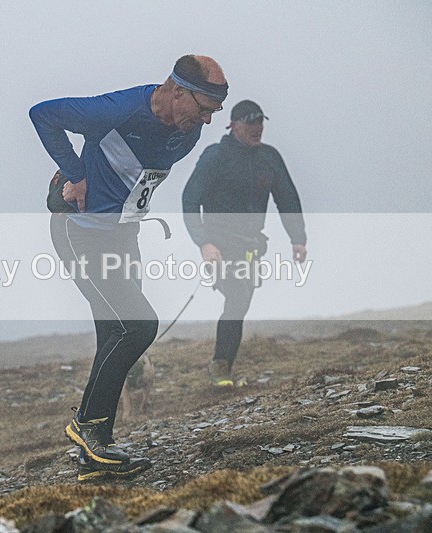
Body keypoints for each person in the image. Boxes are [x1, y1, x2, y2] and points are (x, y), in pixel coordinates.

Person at [30, 55, 228, 480]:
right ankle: (88, 429)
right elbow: (42, 115)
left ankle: (94, 457)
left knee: (114, 333)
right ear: (177, 90)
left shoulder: (185, 133)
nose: (208, 121)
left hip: (121, 237)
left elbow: (133, 181)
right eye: (205, 108)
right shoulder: (117, 109)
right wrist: (73, 173)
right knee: (138, 326)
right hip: (78, 233)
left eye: (215, 112)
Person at [182, 99, 307, 388]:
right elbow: (190, 200)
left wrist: (298, 238)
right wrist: (204, 243)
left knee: (242, 301)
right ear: (233, 125)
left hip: (251, 244)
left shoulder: (269, 158)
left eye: (261, 122)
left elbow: (287, 197)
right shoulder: (216, 156)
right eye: (251, 123)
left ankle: (223, 367)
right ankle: (221, 369)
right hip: (221, 245)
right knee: (237, 298)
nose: (257, 128)